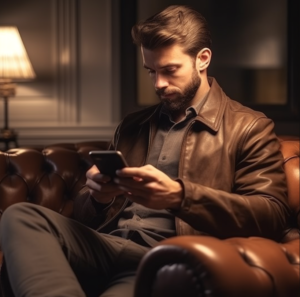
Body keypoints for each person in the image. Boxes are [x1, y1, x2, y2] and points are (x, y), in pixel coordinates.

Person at [0, 5, 290, 297]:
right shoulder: (132, 126)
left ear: (202, 59)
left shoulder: (249, 127)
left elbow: (271, 216)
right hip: (105, 246)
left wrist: (180, 195)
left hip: (163, 259)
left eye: (169, 70)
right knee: (21, 216)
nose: (159, 84)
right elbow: (85, 218)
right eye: (151, 71)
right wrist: (97, 198)